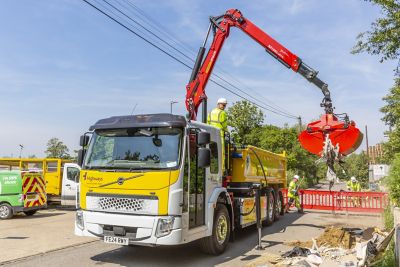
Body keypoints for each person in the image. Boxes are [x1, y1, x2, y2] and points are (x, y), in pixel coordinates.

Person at [207, 98, 228, 172]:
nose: (224, 107)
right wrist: (227, 131)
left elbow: (208, 122)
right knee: (221, 153)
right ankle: (221, 170)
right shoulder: (223, 113)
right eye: (223, 105)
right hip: (220, 135)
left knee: (212, 152)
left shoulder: (211, 112)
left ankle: (211, 168)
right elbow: (224, 124)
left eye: (225, 105)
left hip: (211, 134)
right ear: (218, 104)